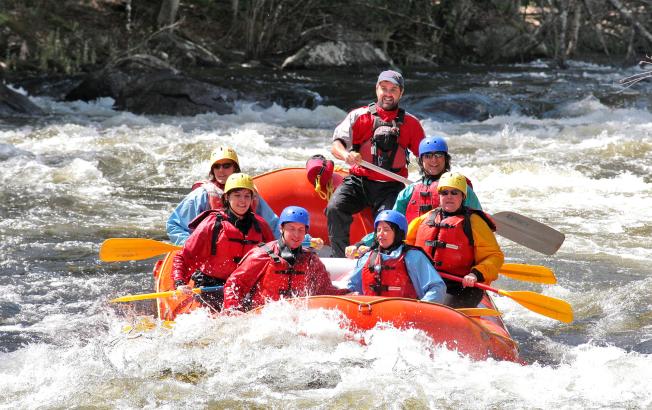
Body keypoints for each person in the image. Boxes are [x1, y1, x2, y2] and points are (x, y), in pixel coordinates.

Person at [326, 70, 425, 257]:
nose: (388, 93)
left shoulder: (411, 124)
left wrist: (433, 182)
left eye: (393, 89)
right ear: (376, 89)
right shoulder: (358, 116)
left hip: (391, 186)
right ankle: (340, 256)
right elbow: (336, 145)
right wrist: (346, 155)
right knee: (334, 208)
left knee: (388, 222)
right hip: (358, 181)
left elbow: (426, 157)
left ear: (401, 93)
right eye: (384, 88)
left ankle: (377, 260)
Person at [344, 135, 482, 257]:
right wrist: (361, 243)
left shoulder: (459, 188)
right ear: (421, 161)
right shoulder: (409, 192)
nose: (434, 160)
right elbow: (391, 225)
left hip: (453, 253)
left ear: (446, 159)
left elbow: (478, 223)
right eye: (428, 156)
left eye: (438, 155)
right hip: (416, 254)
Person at [172, 173, 275, 311]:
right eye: (237, 195)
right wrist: (179, 281)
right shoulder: (212, 223)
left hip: (244, 286)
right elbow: (185, 256)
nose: (242, 201)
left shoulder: (260, 226)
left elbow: (274, 257)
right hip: (212, 286)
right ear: (227, 197)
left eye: (247, 196)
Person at [405, 172, 504, 308]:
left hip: (460, 286)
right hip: (426, 280)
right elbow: (404, 246)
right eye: (444, 193)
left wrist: (475, 274)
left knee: (437, 310)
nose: (449, 197)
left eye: (454, 193)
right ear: (439, 196)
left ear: (463, 196)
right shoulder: (425, 219)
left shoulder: (475, 223)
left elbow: (494, 256)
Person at [223, 206, 348, 312]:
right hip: (262, 317)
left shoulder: (312, 261)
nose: (296, 235)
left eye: (301, 230)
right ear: (281, 229)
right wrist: (233, 311)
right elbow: (234, 284)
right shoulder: (262, 255)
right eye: (291, 228)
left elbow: (324, 291)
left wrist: (348, 295)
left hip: (294, 318)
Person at [167, 145, 280, 245]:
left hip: (245, 249)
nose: (221, 170)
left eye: (226, 166)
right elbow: (175, 225)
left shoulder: (250, 193)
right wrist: (191, 246)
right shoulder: (203, 194)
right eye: (217, 166)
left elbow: (274, 226)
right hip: (212, 251)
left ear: (235, 168)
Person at [346, 210, 446, 303]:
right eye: (378, 230)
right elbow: (352, 288)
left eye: (386, 229)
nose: (380, 234)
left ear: (398, 233)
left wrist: (420, 309)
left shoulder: (413, 257)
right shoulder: (367, 257)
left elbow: (436, 288)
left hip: (406, 314)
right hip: (373, 313)